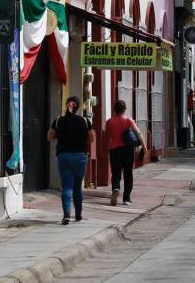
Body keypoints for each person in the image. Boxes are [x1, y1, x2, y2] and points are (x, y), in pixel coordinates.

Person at [47, 96, 95, 225]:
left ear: (66, 105)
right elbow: (91, 138)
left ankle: (66, 215)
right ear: (78, 107)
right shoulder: (84, 121)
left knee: (66, 186)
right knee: (77, 187)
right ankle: (78, 215)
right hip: (80, 157)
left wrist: (61, 135)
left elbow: (50, 136)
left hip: (64, 156)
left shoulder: (58, 121)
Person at [104, 100, 147, 206]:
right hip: (127, 150)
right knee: (128, 173)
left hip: (114, 150)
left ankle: (116, 188)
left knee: (116, 172)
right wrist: (144, 147)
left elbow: (107, 137)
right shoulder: (128, 120)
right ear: (124, 109)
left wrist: (105, 150)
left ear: (114, 109)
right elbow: (138, 132)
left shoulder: (109, 122)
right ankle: (126, 198)